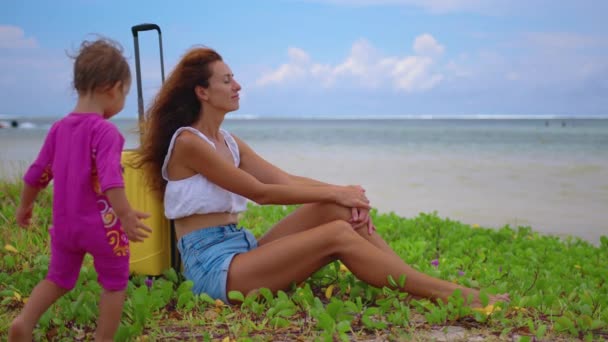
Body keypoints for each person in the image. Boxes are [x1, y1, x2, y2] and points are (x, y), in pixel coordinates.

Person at [136, 46, 509, 308]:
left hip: (241, 248)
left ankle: (410, 280)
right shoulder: (189, 143)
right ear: (202, 92)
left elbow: (281, 178)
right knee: (336, 234)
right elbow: (261, 193)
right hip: (212, 270)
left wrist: (342, 196)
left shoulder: (229, 142)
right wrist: (338, 191)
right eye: (226, 80)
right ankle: (449, 293)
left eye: (235, 78)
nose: (237, 86)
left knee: (339, 215)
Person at [9, 38, 152, 342]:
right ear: (112, 88)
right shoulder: (106, 132)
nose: (122, 101)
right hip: (102, 226)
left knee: (58, 279)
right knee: (114, 284)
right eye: (124, 94)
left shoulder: (59, 129)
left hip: (64, 226)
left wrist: (24, 207)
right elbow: (111, 178)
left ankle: (25, 321)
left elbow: (37, 174)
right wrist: (125, 214)